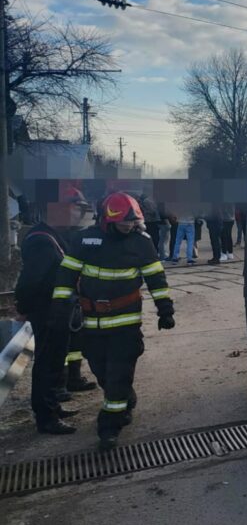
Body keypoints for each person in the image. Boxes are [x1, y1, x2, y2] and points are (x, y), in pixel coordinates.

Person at [51, 192, 175, 451]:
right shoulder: (85, 239)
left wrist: (165, 309)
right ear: (108, 221)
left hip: (126, 324)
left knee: (118, 374)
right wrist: (60, 308)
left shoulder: (142, 242)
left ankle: (109, 427)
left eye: (132, 221)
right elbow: (66, 275)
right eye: (123, 222)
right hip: (92, 323)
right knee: (102, 372)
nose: (129, 226)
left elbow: (156, 278)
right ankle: (125, 398)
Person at [14, 187, 90, 434]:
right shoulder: (41, 241)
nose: (80, 214)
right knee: (47, 364)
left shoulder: (53, 235)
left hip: (58, 311)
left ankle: (54, 406)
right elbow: (30, 282)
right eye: (77, 208)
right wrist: (23, 309)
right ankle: (46, 417)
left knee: (56, 361)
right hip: (46, 312)